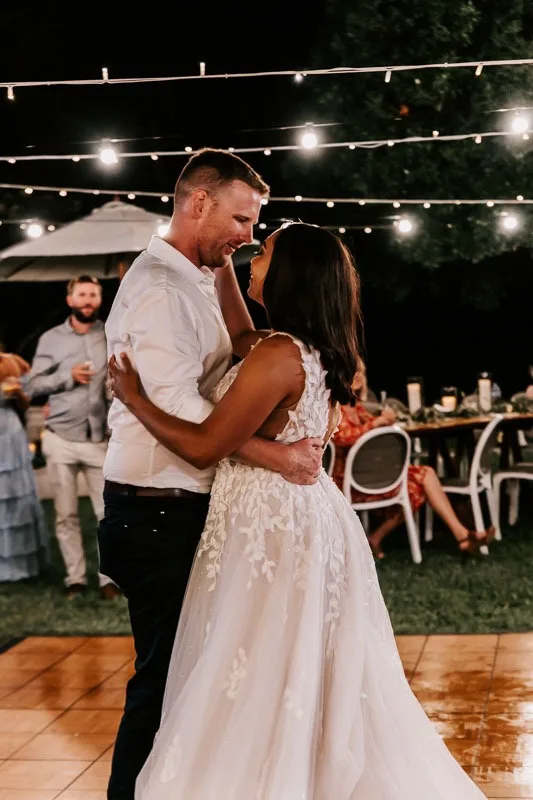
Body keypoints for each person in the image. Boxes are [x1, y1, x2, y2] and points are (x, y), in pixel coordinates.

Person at [109, 222, 486, 800]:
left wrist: (136, 401)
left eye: (264, 255)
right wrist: (221, 269)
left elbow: (206, 444)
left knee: (257, 653)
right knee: (287, 656)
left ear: (292, 276)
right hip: (304, 514)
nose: (254, 260)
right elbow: (239, 331)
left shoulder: (278, 356)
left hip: (270, 522)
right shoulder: (300, 348)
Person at [99, 150, 324, 800]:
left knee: (194, 680)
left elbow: (243, 342)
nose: (248, 235)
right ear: (197, 203)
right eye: (240, 218)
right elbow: (191, 417)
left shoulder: (196, 273)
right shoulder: (161, 290)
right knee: (164, 684)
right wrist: (278, 455)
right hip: (156, 508)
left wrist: (224, 265)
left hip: (183, 506)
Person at [332, 363, 495, 560]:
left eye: (362, 372)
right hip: (346, 480)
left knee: (424, 477)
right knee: (420, 481)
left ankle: (462, 537)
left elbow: (377, 426)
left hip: (375, 474)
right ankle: (464, 537)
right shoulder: (334, 408)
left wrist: (385, 420)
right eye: (354, 370)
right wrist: (377, 423)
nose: (359, 376)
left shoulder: (357, 408)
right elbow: (342, 437)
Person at [28, 275, 118, 600]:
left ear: (99, 299)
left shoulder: (112, 334)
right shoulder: (51, 339)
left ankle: (109, 579)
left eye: (93, 294)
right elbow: (32, 385)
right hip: (60, 437)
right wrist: (68, 377)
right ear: (70, 300)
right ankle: (75, 579)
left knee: (105, 515)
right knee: (66, 514)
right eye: (82, 295)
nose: (88, 300)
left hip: (99, 438)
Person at [0, 349, 48, 582]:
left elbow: (26, 403)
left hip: (8, 432)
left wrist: (17, 392)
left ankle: (18, 566)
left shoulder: (13, 362)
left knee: (14, 493)